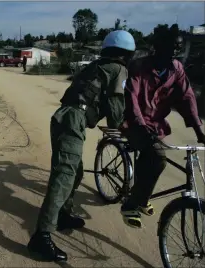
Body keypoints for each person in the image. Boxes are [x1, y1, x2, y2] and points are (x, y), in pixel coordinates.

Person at [27, 30, 136, 262]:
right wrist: (119, 126)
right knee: (65, 175)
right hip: (74, 118)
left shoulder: (97, 65)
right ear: (126, 54)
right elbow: (116, 102)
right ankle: (41, 236)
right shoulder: (119, 69)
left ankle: (64, 214)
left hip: (64, 116)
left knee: (75, 172)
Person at [120, 25, 205, 229]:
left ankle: (141, 194)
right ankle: (132, 204)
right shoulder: (140, 66)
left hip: (155, 125)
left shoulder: (176, 69)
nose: (175, 52)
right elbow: (132, 98)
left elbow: (187, 98)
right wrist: (140, 124)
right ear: (158, 47)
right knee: (158, 157)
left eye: (178, 48)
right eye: (171, 47)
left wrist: (198, 130)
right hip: (133, 122)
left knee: (149, 156)